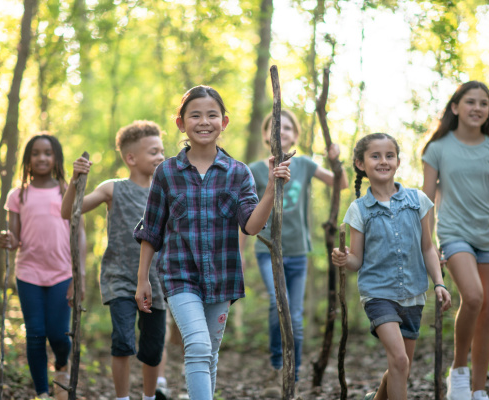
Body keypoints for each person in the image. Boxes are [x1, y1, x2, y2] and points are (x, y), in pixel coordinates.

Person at [133, 85, 291, 400]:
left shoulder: (238, 173)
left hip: (223, 276)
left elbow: (251, 225)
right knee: (199, 346)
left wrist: (272, 189)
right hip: (179, 276)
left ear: (224, 122)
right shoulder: (166, 173)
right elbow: (151, 230)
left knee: (210, 352)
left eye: (212, 115)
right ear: (181, 123)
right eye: (195, 115)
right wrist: (142, 280)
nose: (204, 122)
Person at [332, 133, 451, 400]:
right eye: (375, 156)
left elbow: (428, 248)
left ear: (397, 161)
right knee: (399, 360)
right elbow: (356, 260)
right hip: (378, 294)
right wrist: (343, 258)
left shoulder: (417, 200)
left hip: (414, 294)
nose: (383, 161)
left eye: (389, 155)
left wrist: (439, 283)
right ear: (361, 164)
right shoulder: (359, 210)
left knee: (401, 367)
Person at [239, 109, 348, 395]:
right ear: (266, 135)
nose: (282, 131)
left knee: (295, 317)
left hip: (298, 251)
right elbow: (245, 216)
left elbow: (342, 183)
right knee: (279, 307)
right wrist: (240, 254)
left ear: (295, 135)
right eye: (276, 127)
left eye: (288, 127)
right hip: (267, 250)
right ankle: (277, 365)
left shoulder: (305, 165)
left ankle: (294, 375)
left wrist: (337, 161)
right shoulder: (254, 170)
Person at [421, 81, 489, 400]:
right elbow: (427, 199)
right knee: (473, 297)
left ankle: (478, 390)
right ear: (455, 107)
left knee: (487, 309)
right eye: (471, 102)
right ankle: (458, 371)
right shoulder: (437, 148)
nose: (478, 108)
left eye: (484, 103)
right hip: (454, 233)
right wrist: (428, 243)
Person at [61, 121, 168, 400]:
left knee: (153, 348)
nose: (161, 157)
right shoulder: (113, 188)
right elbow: (69, 211)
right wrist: (75, 180)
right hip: (119, 279)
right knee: (122, 340)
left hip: (157, 281)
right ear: (131, 158)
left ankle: (148, 396)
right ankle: (122, 398)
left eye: (162, 151)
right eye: (153, 152)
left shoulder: (166, 192)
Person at [0, 134, 85, 400]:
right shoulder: (18, 195)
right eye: (35, 153)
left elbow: (79, 234)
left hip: (61, 274)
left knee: (59, 335)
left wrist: (78, 276)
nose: (42, 158)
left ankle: (61, 363)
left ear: (56, 158)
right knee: (35, 334)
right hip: (29, 274)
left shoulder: (65, 190)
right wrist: (8, 239)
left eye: (48, 153)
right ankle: (42, 394)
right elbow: (15, 240)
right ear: (28, 160)